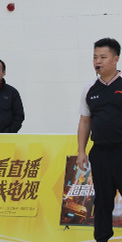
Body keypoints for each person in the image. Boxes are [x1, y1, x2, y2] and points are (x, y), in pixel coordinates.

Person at [77, 38, 122, 242]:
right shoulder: (89, 88)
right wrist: (81, 151)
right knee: (103, 200)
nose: (98, 61)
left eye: (103, 57)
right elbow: (85, 121)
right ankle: (102, 238)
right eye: (95, 57)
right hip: (100, 153)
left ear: (116, 59)